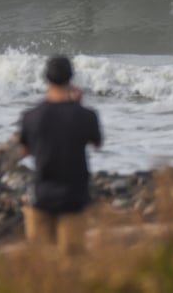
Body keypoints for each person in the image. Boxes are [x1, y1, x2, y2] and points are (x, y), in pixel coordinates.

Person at [18, 55, 103, 254]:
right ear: (71, 78)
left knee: (41, 262)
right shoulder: (85, 115)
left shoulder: (32, 116)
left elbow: (24, 150)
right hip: (74, 196)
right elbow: (97, 143)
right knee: (73, 261)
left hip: (42, 195)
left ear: (46, 78)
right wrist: (77, 105)